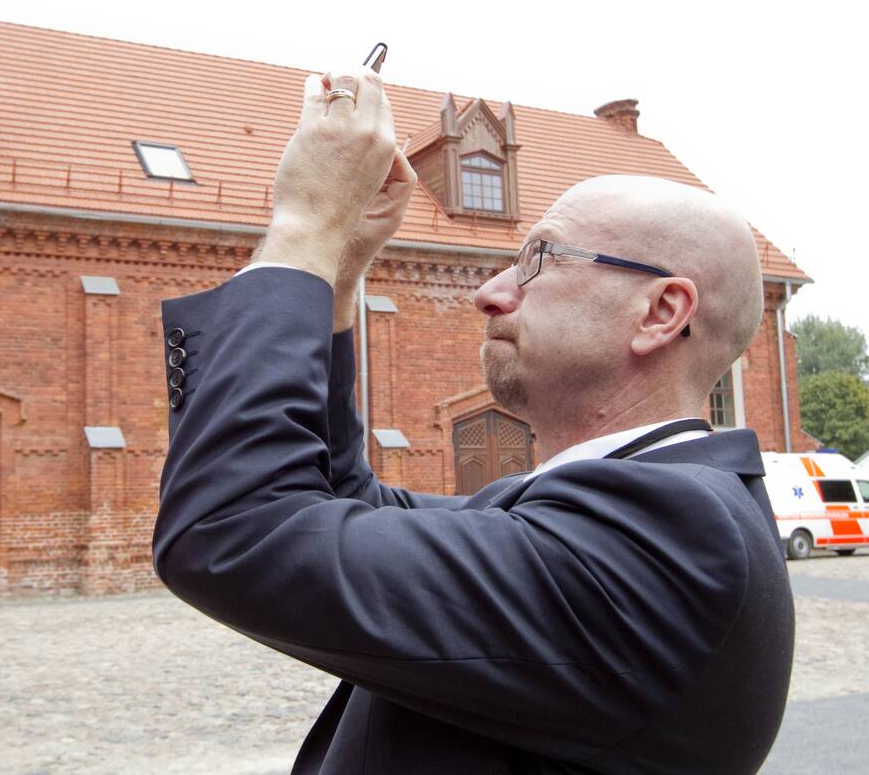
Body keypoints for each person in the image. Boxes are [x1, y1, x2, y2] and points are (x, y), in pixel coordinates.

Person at [152, 67, 794, 774]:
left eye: (539, 260)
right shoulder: (608, 508)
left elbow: (235, 529)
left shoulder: (671, 535)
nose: (489, 293)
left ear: (660, 313)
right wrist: (337, 265)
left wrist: (303, 227)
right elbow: (340, 501)